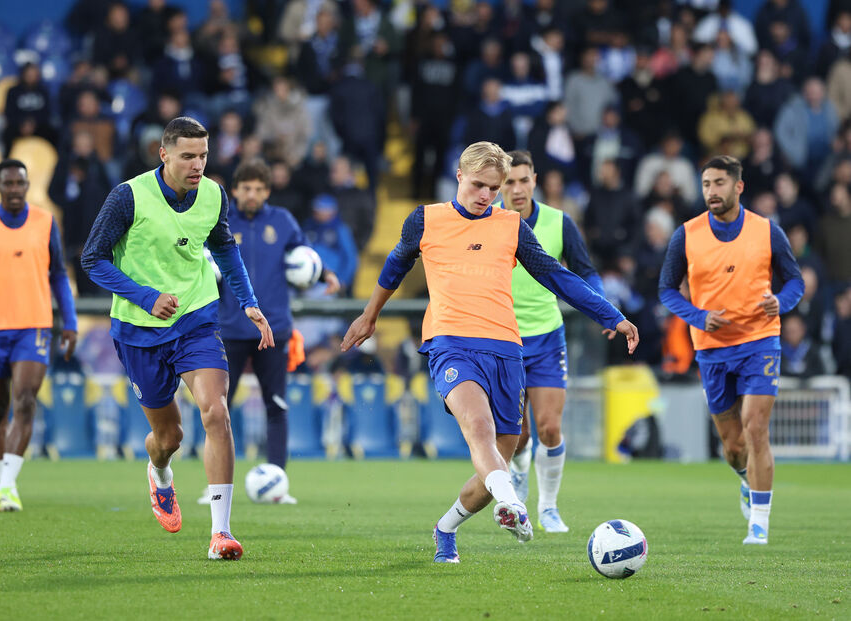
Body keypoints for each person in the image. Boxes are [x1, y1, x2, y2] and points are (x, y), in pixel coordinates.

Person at [341, 142, 638, 563]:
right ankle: (512, 503)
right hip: (450, 345)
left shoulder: (512, 226)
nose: (485, 195)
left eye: (493, 189)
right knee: (477, 425)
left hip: (505, 349)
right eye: (478, 185)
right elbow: (395, 265)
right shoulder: (425, 219)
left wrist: (611, 316)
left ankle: (446, 527)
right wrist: (370, 315)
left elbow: (558, 277)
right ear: (459, 176)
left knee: (504, 450)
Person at [81, 117, 274, 560]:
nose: (197, 165)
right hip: (138, 329)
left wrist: (247, 300)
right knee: (169, 438)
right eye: (188, 156)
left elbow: (224, 246)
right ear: (163, 154)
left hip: (195, 318)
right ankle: (159, 473)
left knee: (216, 411)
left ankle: (220, 533)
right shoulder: (128, 196)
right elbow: (92, 260)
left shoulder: (214, 193)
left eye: (203, 155)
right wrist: (146, 298)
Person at [659, 155, 804, 545]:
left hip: (760, 341)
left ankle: (759, 522)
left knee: (756, 428)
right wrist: (697, 316)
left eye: (719, 183)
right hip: (712, 349)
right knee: (734, 445)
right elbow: (666, 290)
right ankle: (745, 479)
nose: (712, 191)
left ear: (738, 186)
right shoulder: (686, 234)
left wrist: (782, 301)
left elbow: (795, 281)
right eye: (706, 184)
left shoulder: (767, 231)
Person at [0, 160, 78, 512]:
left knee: (24, 399)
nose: (13, 189)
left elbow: (59, 277)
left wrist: (69, 322)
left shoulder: (45, 222)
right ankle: (2, 482)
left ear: (26, 185)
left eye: (19, 183)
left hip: (34, 326)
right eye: (7, 184)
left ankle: (7, 486)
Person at [210, 158, 339, 506]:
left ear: (267, 191)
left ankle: (278, 483)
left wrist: (324, 272)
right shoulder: (219, 221)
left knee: (276, 405)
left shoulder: (282, 221)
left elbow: (302, 256)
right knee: (218, 408)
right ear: (235, 190)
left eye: (258, 189)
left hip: (274, 328)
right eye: (246, 188)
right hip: (231, 328)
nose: (252, 194)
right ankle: (217, 488)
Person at [497, 150, 607, 533]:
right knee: (519, 433)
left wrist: (603, 310)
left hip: (546, 336)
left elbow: (586, 272)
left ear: (535, 181)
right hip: (504, 340)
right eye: (509, 181)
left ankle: (548, 507)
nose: (517, 189)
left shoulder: (560, 223)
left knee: (548, 427)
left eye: (523, 180)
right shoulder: (489, 222)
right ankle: (519, 469)